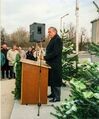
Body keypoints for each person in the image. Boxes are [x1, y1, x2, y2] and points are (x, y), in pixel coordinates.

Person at [44, 27, 63, 102]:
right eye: (48, 32)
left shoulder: (57, 39)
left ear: (54, 31)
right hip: (51, 64)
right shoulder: (53, 39)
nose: (48, 34)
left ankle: (57, 97)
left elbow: (55, 52)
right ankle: (53, 94)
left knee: (56, 80)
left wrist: (45, 57)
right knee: (52, 80)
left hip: (55, 64)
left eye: (50, 32)